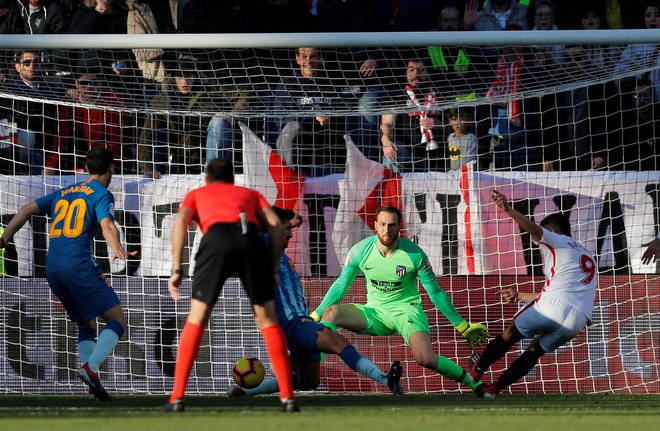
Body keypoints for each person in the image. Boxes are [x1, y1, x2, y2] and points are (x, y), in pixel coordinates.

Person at [162, 158, 298, 413]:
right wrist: (273, 267)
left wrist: (177, 269)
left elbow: (180, 222)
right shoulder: (250, 194)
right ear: (233, 180)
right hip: (251, 243)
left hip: (216, 241)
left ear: (207, 179)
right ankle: (288, 398)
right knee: (267, 320)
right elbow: (277, 224)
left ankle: (177, 397)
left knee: (197, 318)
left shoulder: (196, 194)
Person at [0, 146, 136, 401]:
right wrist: (118, 248)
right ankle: (91, 368)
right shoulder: (101, 194)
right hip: (79, 266)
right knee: (117, 320)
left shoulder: (64, 192)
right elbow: (107, 224)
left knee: (87, 323)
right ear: (111, 168)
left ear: (86, 169)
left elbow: (26, 210)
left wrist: (5, 238)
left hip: (53, 269)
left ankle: (92, 388)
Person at [227, 207, 403, 398]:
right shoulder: (263, 253)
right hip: (294, 324)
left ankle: (246, 391)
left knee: (309, 382)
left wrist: (289, 223)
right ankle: (386, 379)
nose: (290, 234)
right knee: (338, 342)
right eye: (286, 230)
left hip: (300, 321)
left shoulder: (279, 253)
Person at [310, 205, 490, 393]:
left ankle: (473, 382)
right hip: (375, 313)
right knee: (330, 314)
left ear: (399, 227)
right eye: (382, 224)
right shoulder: (359, 251)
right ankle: (312, 375)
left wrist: (461, 325)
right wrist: (316, 314)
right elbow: (341, 285)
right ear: (375, 225)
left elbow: (435, 292)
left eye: (392, 225)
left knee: (425, 358)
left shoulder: (415, 255)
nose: (387, 230)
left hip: (407, 312)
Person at [470, 190, 597, 398]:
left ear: (553, 231)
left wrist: (509, 210)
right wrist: (519, 295)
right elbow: (562, 295)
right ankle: (494, 389)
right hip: (578, 319)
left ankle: (477, 369)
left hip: (553, 307)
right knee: (534, 352)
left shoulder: (557, 241)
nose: (539, 244)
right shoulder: (586, 253)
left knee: (510, 333)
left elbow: (533, 229)